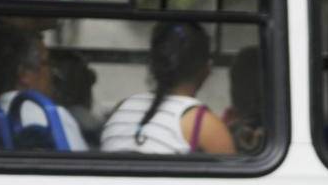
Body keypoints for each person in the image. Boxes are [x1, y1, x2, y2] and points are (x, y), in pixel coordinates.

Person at [100, 22, 235, 155]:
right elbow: (234, 173)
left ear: (153, 65)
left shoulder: (121, 108)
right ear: (206, 69)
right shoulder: (202, 123)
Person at [0, 23, 89, 151]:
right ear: (25, 74)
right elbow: (84, 168)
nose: (54, 72)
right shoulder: (51, 117)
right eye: (47, 63)